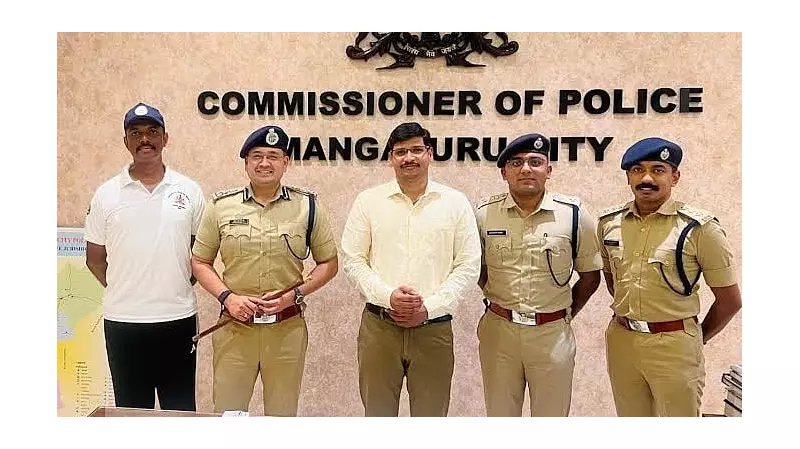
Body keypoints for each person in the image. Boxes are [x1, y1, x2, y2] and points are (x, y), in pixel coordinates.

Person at [190, 124, 338, 416]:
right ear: (246, 162)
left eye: (273, 156)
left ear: (286, 162)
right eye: (257, 156)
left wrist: (294, 295)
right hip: (234, 328)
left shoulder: (307, 206)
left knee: (281, 417)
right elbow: (199, 261)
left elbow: (329, 264)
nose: (264, 163)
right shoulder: (221, 206)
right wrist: (228, 298)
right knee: (229, 416)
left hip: (286, 330)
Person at [340, 122, 481, 417]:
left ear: (430, 154)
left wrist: (428, 308)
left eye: (416, 150)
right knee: (378, 417)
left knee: (431, 420)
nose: (409, 158)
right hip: (380, 327)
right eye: (401, 152)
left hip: (434, 329)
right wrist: (388, 296)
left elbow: (468, 265)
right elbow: (353, 259)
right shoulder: (369, 201)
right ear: (390, 158)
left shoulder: (455, 203)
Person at [597, 137, 742, 417]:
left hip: (675, 345)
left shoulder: (700, 229)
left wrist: (694, 339)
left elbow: (730, 300)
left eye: (658, 170)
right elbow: (613, 280)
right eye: (637, 170)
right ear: (628, 177)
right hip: (622, 340)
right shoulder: (609, 223)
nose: (646, 178)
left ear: (674, 177)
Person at [85, 102, 205, 411]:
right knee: (131, 412)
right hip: (124, 322)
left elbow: (201, 254)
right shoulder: (106, 194)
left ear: (165, 138)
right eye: (136, 133)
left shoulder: (189, 190)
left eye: (152, 131)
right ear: (126, 141)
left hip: (177, 319)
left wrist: (175, 282)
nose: (145, 139)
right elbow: (94, 259)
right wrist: (127, 285)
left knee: (180, 412)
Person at [475, 133, 602, 417]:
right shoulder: (484, 214)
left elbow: (590, 276)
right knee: (500, 416)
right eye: (516, 163)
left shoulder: (573, 214)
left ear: (548, 170)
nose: (526, 169)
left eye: (535, 162)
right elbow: (477, 269)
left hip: (552, 335)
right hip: (499, 332)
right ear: (504, 172)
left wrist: (562, 314)